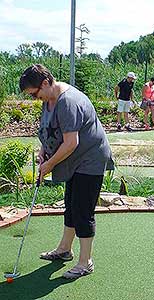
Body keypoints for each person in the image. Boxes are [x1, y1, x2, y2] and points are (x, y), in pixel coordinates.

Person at [19, 64, 114, 279]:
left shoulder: (69, 102)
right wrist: (44, 150)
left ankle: (85, 262)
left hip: (90, 159)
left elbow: (71, 143)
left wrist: (50, 164)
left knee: (82, 210)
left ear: (45, 83)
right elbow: (50, 130)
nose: (35, 99)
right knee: (70, 205)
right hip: (74, 159)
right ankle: (64, 249)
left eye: (34, 94)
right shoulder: (49, 99)